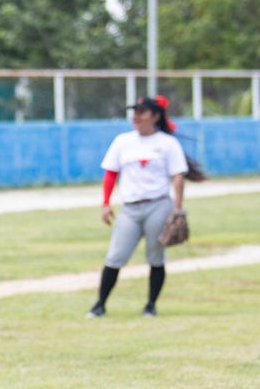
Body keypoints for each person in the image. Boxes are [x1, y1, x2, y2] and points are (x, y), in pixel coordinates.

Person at [87, 95, 205, 318]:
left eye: (142, 112)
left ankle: (151, 305)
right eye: (135, 112)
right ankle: (99, 305)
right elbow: (111, 173)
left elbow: (178, 177)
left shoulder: (167, 143)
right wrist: (105, 203)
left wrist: (177, 209)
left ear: (156, 116)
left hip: (158, 205)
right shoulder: (123, 141)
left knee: (156, 256)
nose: (137, 116)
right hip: (130, 208)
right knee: (115, 256)